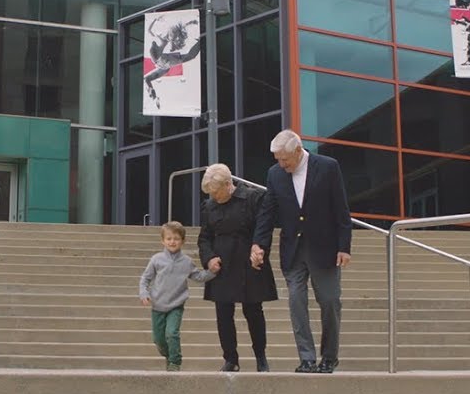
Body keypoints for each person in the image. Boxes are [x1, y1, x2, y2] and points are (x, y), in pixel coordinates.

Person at [251, 129, 352, 374]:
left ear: (298, 151)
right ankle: (306, 358)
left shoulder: (328, 167)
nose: (281, 164)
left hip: (324, 248)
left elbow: (341, 208)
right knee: (297, 303)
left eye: (284, 159)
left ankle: (329, 357)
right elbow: (268, 212)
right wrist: (258, 244)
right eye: (277, 160)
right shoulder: (275, 174)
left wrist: (344, 246)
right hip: (292, 250)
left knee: (329, 302)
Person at [197, 163, 278, 372]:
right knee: (223, 313)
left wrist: (259, 248)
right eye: (211, 194)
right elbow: (204, 237)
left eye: (217, 192)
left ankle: (261, 357)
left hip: (248, 259)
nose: (214, 197)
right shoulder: (209, 206)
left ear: (228, 184)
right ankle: (230, 358)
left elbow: (263, 227)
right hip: (222, 263)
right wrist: (208, 259)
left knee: (253, 311)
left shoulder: (252, 198)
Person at [138, 220, 216, 371]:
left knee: (172, 333)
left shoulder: (186, 262)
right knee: (159, 340)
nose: (172, 242)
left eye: (176, 239)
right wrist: (144, 293)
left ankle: (175, 362)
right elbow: (145, 279)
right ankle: (169, 355)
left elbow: (198, 276)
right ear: (163, 240)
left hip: (176, 305)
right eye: (169, 238)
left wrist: (213, 272)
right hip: (158, 306)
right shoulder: (156, 259)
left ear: (183, 241)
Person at [143, 14, 202, 109]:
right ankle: (152, 93)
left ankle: (152, 93)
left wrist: (154, 20)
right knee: (188, 57)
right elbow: (150, 30)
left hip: (162, 63)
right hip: (163, 63)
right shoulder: (164, 38)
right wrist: (190, 23)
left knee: (147, 79)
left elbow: (149, 30)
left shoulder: (160, 38)